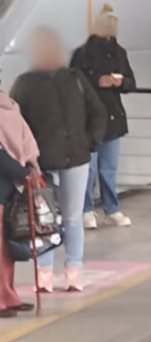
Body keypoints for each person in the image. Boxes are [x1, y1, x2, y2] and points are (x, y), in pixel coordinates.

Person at [11, 27, 107, 292]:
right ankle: (44, 272)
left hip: (77, 157)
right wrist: (27, 158)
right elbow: (15, 124)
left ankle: (73, 269)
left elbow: (97, 111)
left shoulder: (75, 78)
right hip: (41, 163)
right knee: (44, 219)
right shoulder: (25, 83)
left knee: (73, 217)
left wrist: (91, 140)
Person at [70, 3, 133, 230]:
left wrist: (119, 82)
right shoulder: (82, 53)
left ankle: (111, 208)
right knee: (89, 169)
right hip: (90, 119)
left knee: (108, 168)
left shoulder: (120, 52)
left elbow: (131, 83)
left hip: (114, 118)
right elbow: (73, 82)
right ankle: (86, 209)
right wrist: (97, 82)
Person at [0, 91, 41, 315]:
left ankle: (8, 295)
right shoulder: (10, 106)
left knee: (6, 247)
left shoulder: (10, 106)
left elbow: (24, 139)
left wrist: (29, 170)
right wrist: (24, 172)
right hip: (9, 179)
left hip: (9, 184)